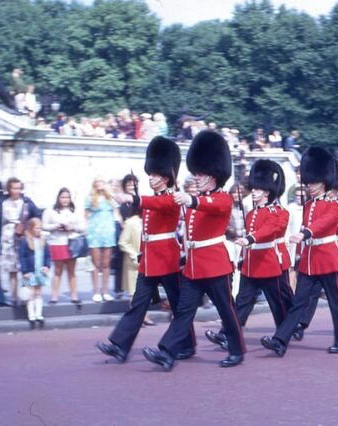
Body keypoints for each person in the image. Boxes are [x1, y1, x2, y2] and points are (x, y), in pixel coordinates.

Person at [142, 130, 245, 370]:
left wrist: (191, 200)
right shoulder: (195, 201)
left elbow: (211, 206)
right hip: (193, 266)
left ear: (214, 175)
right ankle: (167, 352)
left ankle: (237, 350)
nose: (197, 177)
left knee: (226, 310)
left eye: (201, 174)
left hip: (215, 266)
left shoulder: (222, 198)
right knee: (183, 311)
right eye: (196, 173)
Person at [97, 136, 191, 364]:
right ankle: (120, 346)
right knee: (138, 304)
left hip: (166, 258)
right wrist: (141, 252)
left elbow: (156, 204)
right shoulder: (152, 198)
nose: (150, 178)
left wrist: (133, 198)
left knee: (177, 304)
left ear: (166, 177)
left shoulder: (171, 198)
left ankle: (187, 344)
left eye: (155, 175)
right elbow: (146, 230)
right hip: (150, 259)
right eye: (150, 174)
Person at [261, 146, 338, 356]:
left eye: (313, 183)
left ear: (324, 182)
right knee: (298, 302)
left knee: (335, 302)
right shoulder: (309, 205)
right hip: (310, 260)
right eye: (308, 182)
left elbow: (325, 222)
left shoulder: (333, 204)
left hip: (327, 258)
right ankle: (280, 340)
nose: (309, 186)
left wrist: (306, 233)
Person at [205, 159, 293, 349]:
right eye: (252, 188)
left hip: (270, 262)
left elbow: (270, 229)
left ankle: (282, 337)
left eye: (257, 189)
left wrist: (250, 239)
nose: (253, 191)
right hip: (251, 264)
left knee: (278, 303)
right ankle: (227, 334)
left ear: (267, 192)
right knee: (242, 302)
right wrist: (242, 257)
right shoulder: (251, 213)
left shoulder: (279, 212)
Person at [293, 161, 338, 341]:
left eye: (333, 191)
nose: (330, 193)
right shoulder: (315, 205)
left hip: (337, 251)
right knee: (312, 292)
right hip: (317, 251)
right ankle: (301, 323)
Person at [0, 177, 41, 305]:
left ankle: (28, 295)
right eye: (14, 188)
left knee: (27, 268)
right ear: (9, 189)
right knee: (12, 269)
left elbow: (37, 216)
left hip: (24, 236)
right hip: (8, 237)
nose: (17, 191)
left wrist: (28, 227)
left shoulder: (27, 202)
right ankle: (14, 297)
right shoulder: (3, 202)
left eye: (19, 188)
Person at [42, 188, 84, 304]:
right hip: (57, 242)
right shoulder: (50, 210)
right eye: (63, 197)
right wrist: (55, 226)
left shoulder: (75, 210)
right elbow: (44, 225)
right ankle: (54, 296)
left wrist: (72, 227)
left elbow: (83, 227)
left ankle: (74, 295)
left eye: (67, 197)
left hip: (71, 243)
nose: (65, 200)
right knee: (57, 271)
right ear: (58, 198)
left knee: (71, 271)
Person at [85, 177, 118, 302]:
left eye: (101, 182)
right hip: (94, 234)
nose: (99, 184)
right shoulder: (90, 198)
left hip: (108, 234)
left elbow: (117, 211)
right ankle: (96, 291)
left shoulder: (110, 198)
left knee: (106, 264)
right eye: (97, 182)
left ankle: (105, 291)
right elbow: (85, 216)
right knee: (96, 264)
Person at [17, 218, 49, 328]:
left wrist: (47, 266)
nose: (39, 230)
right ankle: (31, 316)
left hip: (40, 271)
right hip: (30, 271)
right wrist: (25, 271)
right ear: (31, 228)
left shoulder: (43, 240)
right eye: (36, 228)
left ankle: (39, 314)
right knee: (30, 293)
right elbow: (22, 257)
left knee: (38, 292)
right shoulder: (25, 241)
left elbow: (47, 255)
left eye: (40, 228)